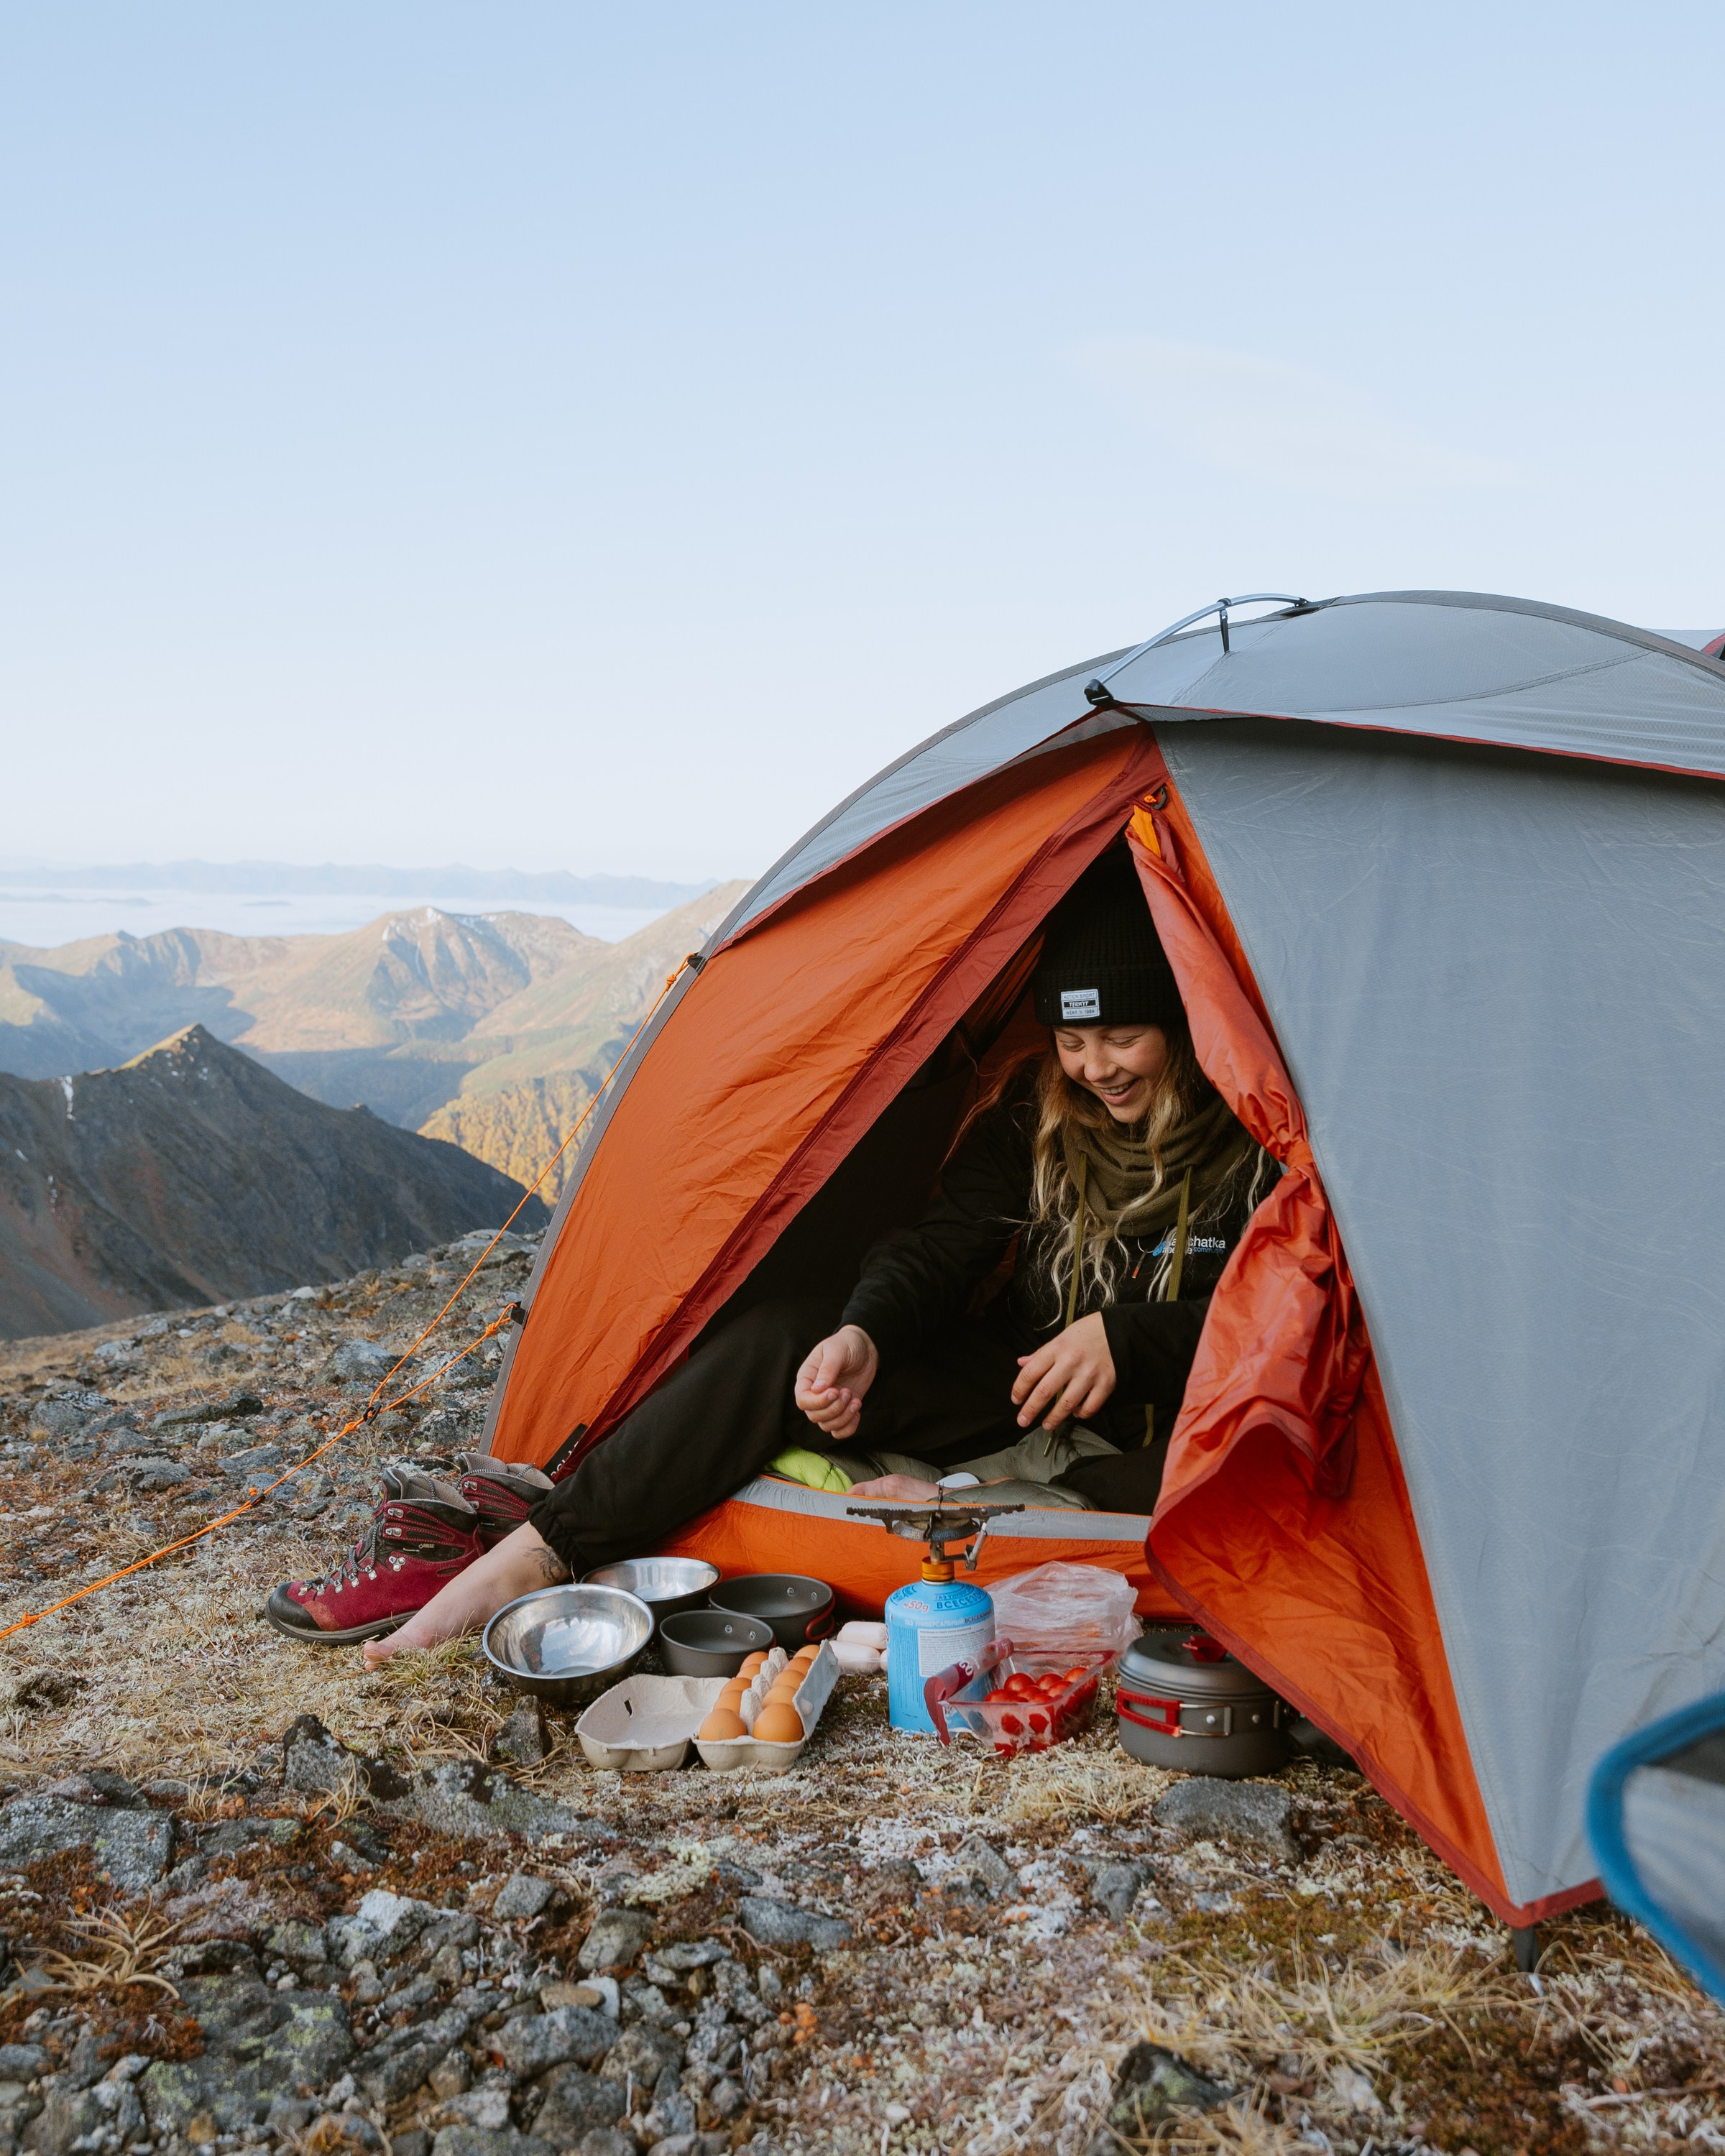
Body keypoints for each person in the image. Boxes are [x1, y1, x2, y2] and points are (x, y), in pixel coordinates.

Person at [264, 843, 1274, 1661]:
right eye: (1071, 1040)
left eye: (1123, 1038)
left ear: (1182, 1025)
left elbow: (1287, 1324)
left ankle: (976, 1509)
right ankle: (534, 1554)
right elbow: (941, 1246)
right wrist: (866, 1334)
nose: (1094, 1067)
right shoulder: (1033, 1117)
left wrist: (1127, 1339)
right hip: (1016, 1389)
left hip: (1185, 1425)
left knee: (1233, 1476)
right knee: (783, 1340)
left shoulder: (1260, 1139)